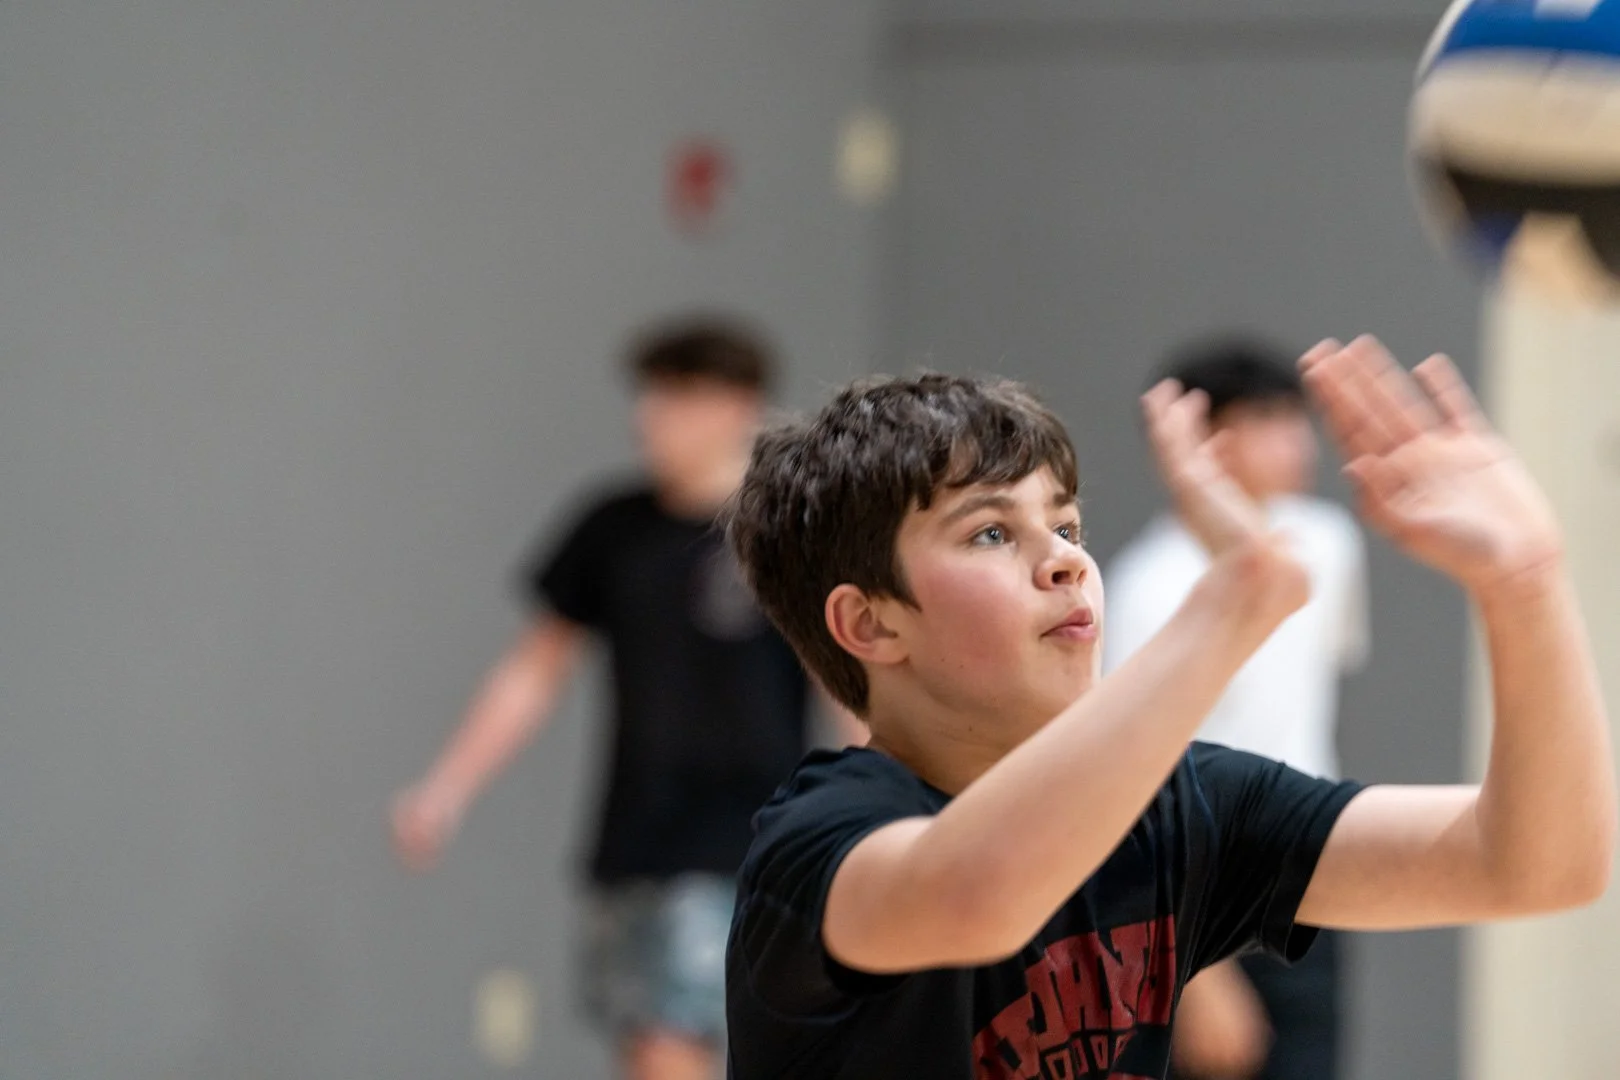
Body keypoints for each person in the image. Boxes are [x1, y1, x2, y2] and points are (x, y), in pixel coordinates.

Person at [719, 336, 1615, 1079]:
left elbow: (1537, 864)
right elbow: (980, 894)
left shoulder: (1184, 806)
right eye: (992, 533)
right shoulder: (818, 840)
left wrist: (1525, 583)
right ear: (869, 623)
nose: (1066, 561)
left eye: (1066, 528)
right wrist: (1234, 603)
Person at [391, 317, 861, 1080]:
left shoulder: (788, 534)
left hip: (750, 843)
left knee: (675, 1048)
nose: (649, 417)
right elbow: (533, 671)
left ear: (737, 405)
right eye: (648, 396)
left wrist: (893, 806)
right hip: (634, 840)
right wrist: (446, 789)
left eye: (675, 397)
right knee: (646, 1044)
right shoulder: (613, 528)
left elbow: (843, 681)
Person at [1103, 338, 1367, 1080]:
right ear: (1207, 438)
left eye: (1298, 421)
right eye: (1270, 422)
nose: (1297, 443)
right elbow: (1130, 780)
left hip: (1317, 874)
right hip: (1202, 901)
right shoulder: (1149, 589)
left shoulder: (1327, 542)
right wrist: (1193, 976)